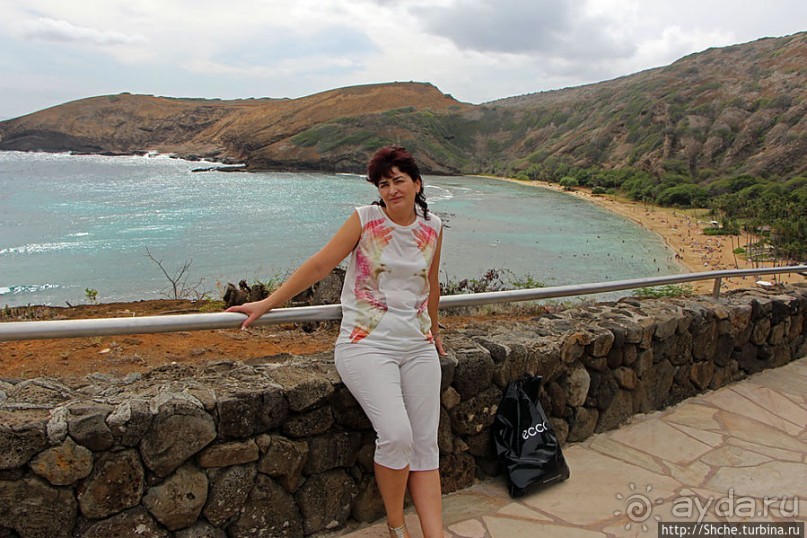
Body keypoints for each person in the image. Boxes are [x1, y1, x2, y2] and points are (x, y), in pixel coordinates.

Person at [227, 146, 446, 538]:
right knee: (397, 436)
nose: (392, 189)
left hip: (417, 345)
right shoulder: (365, 220)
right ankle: (397, 528)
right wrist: (266, 303)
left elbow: (431, 282)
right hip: (366, 344)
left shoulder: (433, 227)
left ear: (416, 183)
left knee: (425, 447)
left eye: (398, 180)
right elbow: (320, 265)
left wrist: (435, 328)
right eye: (384, 183)